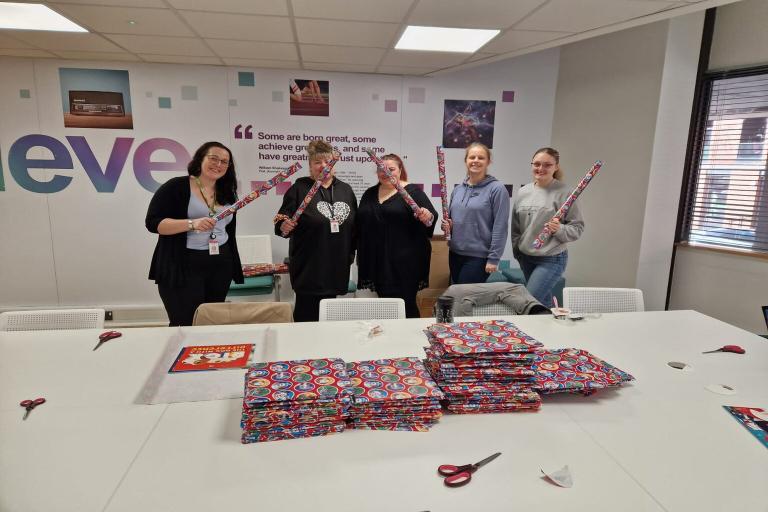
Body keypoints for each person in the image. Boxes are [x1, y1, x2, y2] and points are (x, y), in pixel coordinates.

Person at [146, 142, 244, 326]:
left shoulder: (228, 193)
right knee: (185, 324)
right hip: (182, 266)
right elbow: (153, 223)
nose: (219, 164)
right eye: (213, 158)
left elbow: (226, 229)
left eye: (225, 161)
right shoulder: (175, 187)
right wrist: (192, 224)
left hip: (220, 265)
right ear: (200, 159)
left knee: (211, 322)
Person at [274, 139, 357, 322]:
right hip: (309, 266)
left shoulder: (346, 190)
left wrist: (350, 255)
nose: (323, 166)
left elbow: (354, 227)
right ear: (310, 165)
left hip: (336, 265)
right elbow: (281, 219)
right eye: (317, 162)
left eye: (328, 161)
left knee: (330, 317)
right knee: (307, 316)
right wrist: (284, 225)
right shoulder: (299, 189)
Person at [357, 154, 438, 318]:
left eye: (391, 169)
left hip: (406, 263)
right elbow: (361, 224)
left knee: (405, 305)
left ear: (400, 170)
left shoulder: (413, 192)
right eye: (381, 169)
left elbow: (430, 218)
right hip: (378, 261)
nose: (385, 172)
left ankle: (410, 341)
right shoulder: (369, 193)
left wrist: (426, 216)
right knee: (385, 307)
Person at [511, 147, 584, 308]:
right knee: (541, 304)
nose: (540, 168)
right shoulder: (523, 192)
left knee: (527, 302)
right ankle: (551, 330)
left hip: (551, 258)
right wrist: (517, 250)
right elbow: (516, 227)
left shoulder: (565, 193)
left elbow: (577, 228)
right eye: (536, 164)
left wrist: (559, 229)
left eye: (547, 165)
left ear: (556, 167)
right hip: (526, 257)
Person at [442, 142, 509, 284]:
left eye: (481, 158)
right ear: (466, 160)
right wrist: (448, 227)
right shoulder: (458, 189)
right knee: (458, 296)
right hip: (455, 253)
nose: (476, 161)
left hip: (479, 257)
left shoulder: (497, 189)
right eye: (472, 157)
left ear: (488, 161)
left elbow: (500, 226)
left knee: (463, 297)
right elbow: (455, 221)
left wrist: (494, 258)